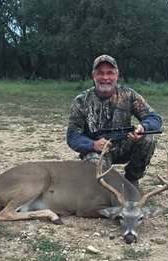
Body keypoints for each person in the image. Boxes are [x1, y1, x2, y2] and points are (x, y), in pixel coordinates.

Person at [66, 54, 162, 191]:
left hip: (124, 145)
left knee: (149, 139)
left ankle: (132, 179)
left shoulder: (129, 95)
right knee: (96, 180)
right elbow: (72, 136)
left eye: (110, 73)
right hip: (98, 151)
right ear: (93, 75)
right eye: (100, 73)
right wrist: (92, 144)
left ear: (117, 75)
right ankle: (104, 187)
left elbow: (155, 118)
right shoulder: (81, 101)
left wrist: (143, 127)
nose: (105, 78)